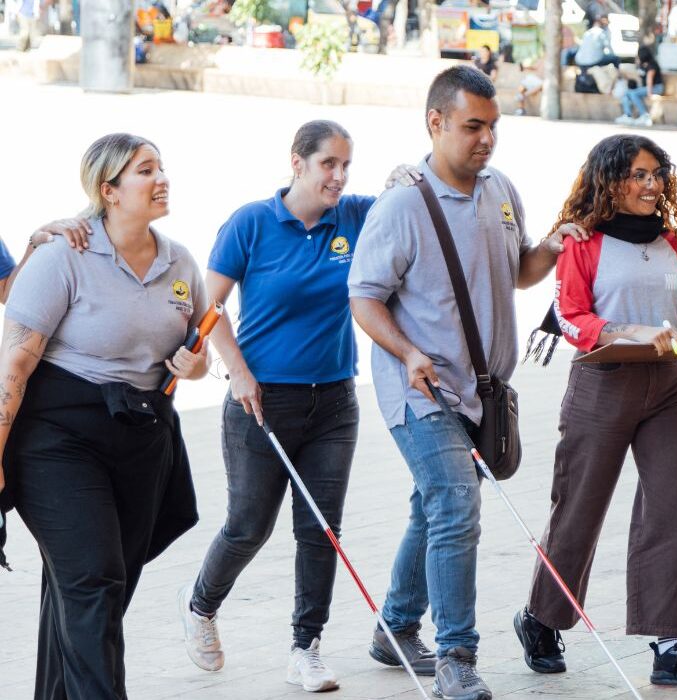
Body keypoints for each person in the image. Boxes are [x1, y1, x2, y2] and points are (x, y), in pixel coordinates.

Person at [347, 65, 581, 700]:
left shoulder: (500, 188)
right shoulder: (402, 205)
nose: (487, 140)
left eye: (493, 127)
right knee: (456, 506)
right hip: (419, 392)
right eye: (473, 127)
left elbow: (519, 272)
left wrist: (554, 247)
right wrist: (409, 352)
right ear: (436, 123)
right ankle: (457, 657)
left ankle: (393, 628)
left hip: (483, 392)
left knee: (434, 507)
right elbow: (363, 298)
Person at [177, 121, 426, 693]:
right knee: (248, 527)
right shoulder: (252, 223)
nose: (338, 176)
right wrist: (237, 372)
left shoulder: (355, 216)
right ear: (298, 163)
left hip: (336, 400)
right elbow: (207, 309)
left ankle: (306, 647)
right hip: (261, 401)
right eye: (327, 165)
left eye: (346, 165)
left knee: (321, 531)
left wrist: (401, 177)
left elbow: (405, 198)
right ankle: (200, 607)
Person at [511, 133, 677, 688]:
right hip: (603, 382)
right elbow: (570, 316)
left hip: (667, 385)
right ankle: (541, 617)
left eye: (656, 174)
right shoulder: (582, 242)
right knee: (579, 509)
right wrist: (619, 331)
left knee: (675, 511)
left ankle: (671, 644)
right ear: (609, 180)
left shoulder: (671, 242)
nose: (651, 185)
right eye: (638, 174)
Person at [0, 133, 209, 699]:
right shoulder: (63, 255)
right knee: (93, 582)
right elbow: (15, 363)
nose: (161, 178)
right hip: (59, 439)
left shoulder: (180, 262)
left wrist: (192, 365)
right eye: (146, 170)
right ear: (108, 190)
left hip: (143, 438)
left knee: (96, 592)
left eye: (161, 166)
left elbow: (197, 352)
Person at [617, 45, 663, 127]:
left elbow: (650, 79)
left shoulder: (652, 64)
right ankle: (628, 115)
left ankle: (644, 115)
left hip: (656, 88)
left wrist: (649, 93)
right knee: (627, 93)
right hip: (647, 87)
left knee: (633, 94)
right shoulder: (642, 65)